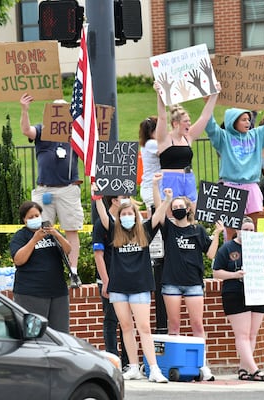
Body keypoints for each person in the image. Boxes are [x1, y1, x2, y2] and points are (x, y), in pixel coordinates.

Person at [92, 182, 171, 383]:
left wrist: (166, 198)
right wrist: (97, 198)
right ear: (119, 216)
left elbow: (158, 216)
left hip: (140, 286)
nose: (127, 216)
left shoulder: (144, 230)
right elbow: (103, 216)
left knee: (144, 327)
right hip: (118, 287)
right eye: (123, 213)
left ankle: (153, 368)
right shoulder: (114, 231)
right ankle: (134, 367)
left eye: (130, 213)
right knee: (126, 327)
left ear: (136, 215)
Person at [152, 172, 223, 381]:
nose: (178, 210)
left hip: (193, 283)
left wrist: (217, 234)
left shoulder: (198, 230)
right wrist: (158, 188)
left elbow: (210, 253)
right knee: (174, 325)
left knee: (197, 325)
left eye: (180, 207)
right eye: (175, 208)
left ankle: (202, 365)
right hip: (172, 283)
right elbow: (159, 210)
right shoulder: (169, 229)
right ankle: (175, 362)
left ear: (188, 209)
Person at [20, 93, 83, 288]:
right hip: (45, 189)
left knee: (71, 229)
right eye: (56, 110)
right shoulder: (42, 130)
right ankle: (47, 271)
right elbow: (26, 131)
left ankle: (73, 271)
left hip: (68, 189)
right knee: (42, 229)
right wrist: (24, 109)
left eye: (63, 110)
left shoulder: (75, 132)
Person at [204, 104, 264, 237]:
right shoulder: (223, 138)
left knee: (252, 228)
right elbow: (210, 126)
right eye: (243, 119)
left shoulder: (256, 135)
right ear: (233, 121)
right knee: (231, 231)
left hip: (252, 186)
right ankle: (231, 256)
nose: (248, 122)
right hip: (230, 188)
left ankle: (252, 257)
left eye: (248, 119)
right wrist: (208, 103)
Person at [213, 216, 264, 382]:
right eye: (245, 230)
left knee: (252, 334)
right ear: (237, 231)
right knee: (242, 334)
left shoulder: (258, 247)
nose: (248, 233)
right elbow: (216, 272)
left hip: (257, 292)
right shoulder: (227, 248)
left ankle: (244, 368)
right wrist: (234, 275)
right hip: (235, 292)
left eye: (251, 230)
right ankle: (254, 370)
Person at [10, 200, 72, 333]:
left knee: (61, 333)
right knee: (34, 333)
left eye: (37, 216)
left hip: (57, 292)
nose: (34, 219)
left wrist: (56, 234)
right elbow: (19, 260)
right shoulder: (21, 236)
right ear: (24, 220)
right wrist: (34, 240)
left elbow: (67, 250)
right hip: (31, 293)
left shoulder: (50, 234)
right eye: (30, 217)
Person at [154, 81, 221, 202]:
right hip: (171, 179)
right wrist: (159, 94)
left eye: (189, 121)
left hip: (188, 178)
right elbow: (162, 117)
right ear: (175, 124)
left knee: (192, 213)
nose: (189, 124)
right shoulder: (164, 139)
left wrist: (214, 94)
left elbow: (204, 117)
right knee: (172, 213)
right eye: (185, 121)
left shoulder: (188, 137)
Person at [137, 116, 167, 334]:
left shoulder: (149, 143)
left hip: (155, 188)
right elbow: (166, 148)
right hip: (151, 190)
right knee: (155, 227)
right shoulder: (151, 144)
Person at [92, 194, 130, 368]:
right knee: (111, 319)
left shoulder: (127, 222)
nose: (128, 198)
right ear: (114, 200)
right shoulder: (102, 224)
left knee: (126, 321)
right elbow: (98, 254)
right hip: (108, 279)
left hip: (126, 279)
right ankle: (113, 359)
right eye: (124, 196)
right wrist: (106, 281)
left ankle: (128, 360)